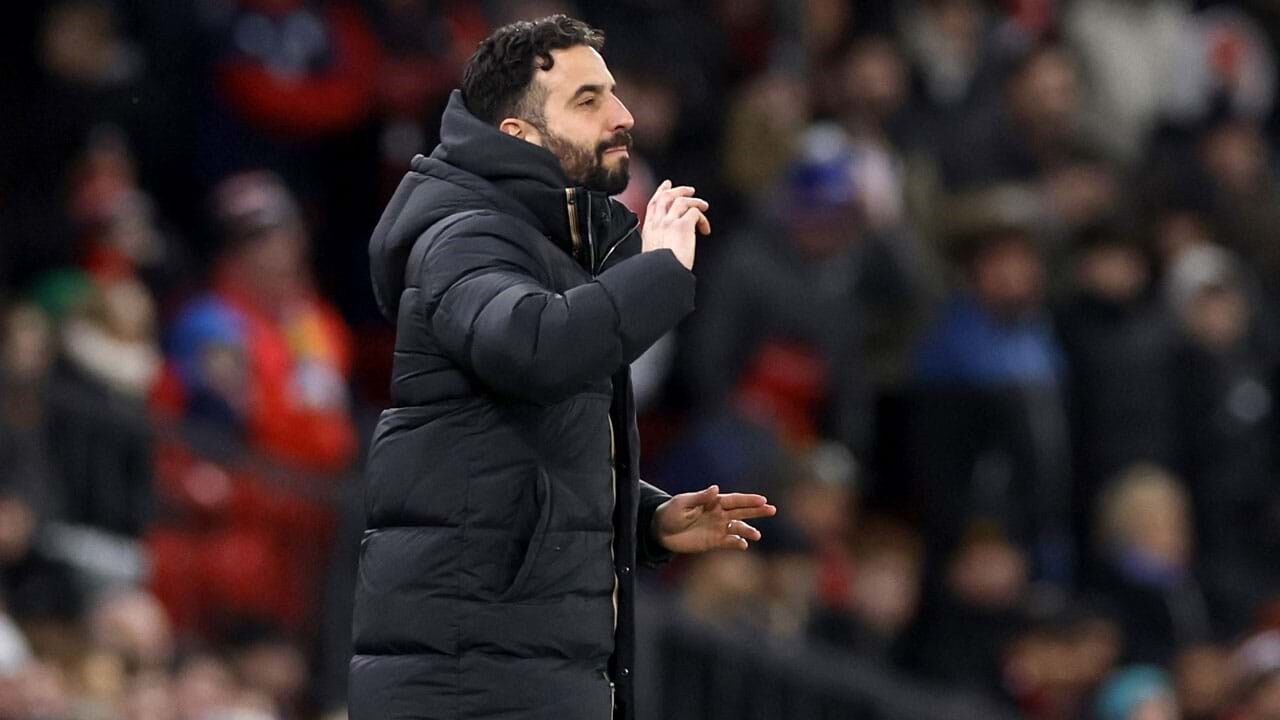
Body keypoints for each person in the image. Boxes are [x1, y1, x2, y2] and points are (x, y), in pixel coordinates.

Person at [351, 15, 776, 720]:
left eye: (613, 92)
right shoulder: (463, 236)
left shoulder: (552, 245)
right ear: (518, 134)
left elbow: (511, 458)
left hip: (517, 670)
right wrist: (659, 273)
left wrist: (643, 518)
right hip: (469, 684)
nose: (623, 115)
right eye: (588, 100)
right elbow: (534, 348)